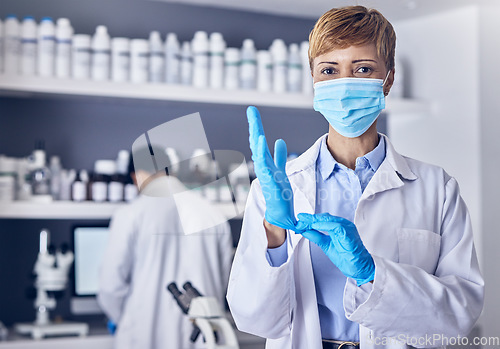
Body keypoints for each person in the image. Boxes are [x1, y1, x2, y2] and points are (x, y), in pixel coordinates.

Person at [227, 5, 484, 349]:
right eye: (329, 70)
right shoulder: (277, 189)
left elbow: (459, 317)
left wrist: (373, 275)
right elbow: (256, 320)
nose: (344, 85)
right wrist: (274, 234)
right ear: (314, 82)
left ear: (388, 79)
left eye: (362, 68)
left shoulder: (437, 189)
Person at [98, 150, 234, 349]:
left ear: (137, 175)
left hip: (144, 336)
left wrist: (125, 319)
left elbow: (110, 287)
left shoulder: (130, 214)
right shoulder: (214, 215)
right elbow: (224, 282)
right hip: (204, 337)